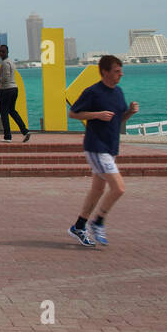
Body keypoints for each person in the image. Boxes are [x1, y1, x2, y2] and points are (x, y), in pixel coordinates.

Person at [67, 54, 139, 247]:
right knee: (119, 188)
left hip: (110, 147)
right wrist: (96, 115)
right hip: (96, 147)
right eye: (116, 71)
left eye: (120, 71)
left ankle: (79, 226)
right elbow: (73, 113)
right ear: (104, 72)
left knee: (98, 189)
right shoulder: (93, 92)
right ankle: (98, 221)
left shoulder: (118, 92)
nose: (120, 74)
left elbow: (117, 119)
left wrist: (129, 113)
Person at [0, 44, 31, 142]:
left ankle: (7, 136)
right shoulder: (11, 62)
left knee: (4, 113)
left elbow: (5, 79)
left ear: (7, 52)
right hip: (13, 89)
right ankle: (25, 131)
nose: (1, 53)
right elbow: (9, 80)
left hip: (6, 91)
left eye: (3, 51)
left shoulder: (4, 63)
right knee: (12, 111)